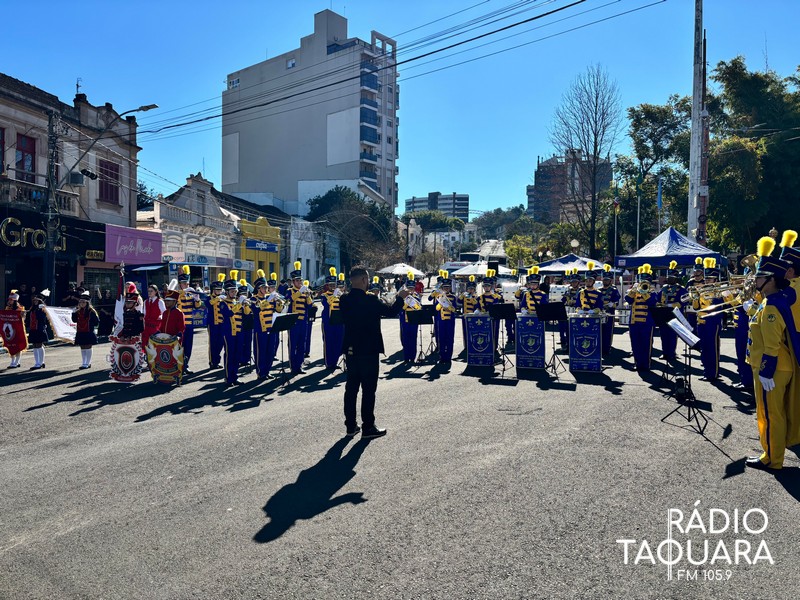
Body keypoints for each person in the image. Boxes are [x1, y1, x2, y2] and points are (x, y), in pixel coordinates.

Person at [339, 266, 409, 439]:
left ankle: (350, 426)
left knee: (351, 389)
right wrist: (400, 298)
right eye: (368, 279)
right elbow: (391, 311)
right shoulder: (370, 299)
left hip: (351, 350)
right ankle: (368, 426)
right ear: (364, 280)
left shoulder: (344, 299)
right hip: (368, 350)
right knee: (368, 390)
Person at [746, 237, 797, 471]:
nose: (755, 280)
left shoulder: (771, 306)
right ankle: (772, 454)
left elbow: (772, 345)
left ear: (770, 280)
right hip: (776, 366)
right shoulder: (771, 302)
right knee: (773, 413)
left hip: (772, 368)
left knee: (769, 414)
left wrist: (766, 371)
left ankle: (772, 459)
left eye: (760, 276)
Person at [692, 258, 724, 381]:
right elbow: (696, 307)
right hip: (701, 322)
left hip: (712, 323)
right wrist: (695, 297)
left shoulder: (718, 291)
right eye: (706, 279)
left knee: (712, 349)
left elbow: (717, 306)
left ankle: (713, 373)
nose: (706, 281)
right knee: (704, 349)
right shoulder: (701, 290)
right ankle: (706, 372)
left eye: (710, 279)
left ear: (715, 280)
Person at [218, 272, 252, 386]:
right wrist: (240, 304)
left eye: (235, 291)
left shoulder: (237, 302)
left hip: (239, 332)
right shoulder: (222, 303)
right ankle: (228, 378)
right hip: (228, 333)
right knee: (230, 355)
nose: (234, 293)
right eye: (232, 291)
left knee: (237, 355)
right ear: (227, 292)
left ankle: (235, 376)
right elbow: (229, 313)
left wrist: (246, 305)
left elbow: (247, 314)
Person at [625, 265, 657, 371]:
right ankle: (637, 363)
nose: (643, 283)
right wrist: (633, 290)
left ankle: (646, 365)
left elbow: (652, 303)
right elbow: (628, 300)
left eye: (646, 280)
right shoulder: (634, 290)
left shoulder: (652, 292)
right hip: (634, 322)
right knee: (635, 344)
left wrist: (645, 293)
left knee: (646, 344)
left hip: (646, 323)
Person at [286, 262, 314, 375]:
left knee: (302, 344)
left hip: (303, 321)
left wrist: (308, 296)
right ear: (293, 282)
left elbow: (310, 306)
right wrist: (300, 292)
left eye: (300, 280)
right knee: (293, 344)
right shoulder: (289, 291)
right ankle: (293, 367)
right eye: (297, 281)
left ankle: (299, 365)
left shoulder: (304, 292)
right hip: (293, 322)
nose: (300, 282)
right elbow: (289, 300)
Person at [658, 261, 688, 362]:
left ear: (676, 278)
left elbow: (685, 301)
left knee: (672, 335)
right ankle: (665, 352)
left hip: (675, 314)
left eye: (672, 277)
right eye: (669, 277)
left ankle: (672, 353)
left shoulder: (681, 289)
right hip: (663, 314)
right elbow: (658, 299)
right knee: (663, 334)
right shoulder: (664, 288)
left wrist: (671, 305)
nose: (670, 279)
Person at [176, 265, 203, 373]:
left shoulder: (190, 294)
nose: (186, 285)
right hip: (180, 325)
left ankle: (185, 365)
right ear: (180, 284)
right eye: (184, 283)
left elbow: (197, 307)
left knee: (188, 346)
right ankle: (178, 366)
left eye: (187, 283)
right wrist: (185, 292)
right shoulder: (177, 294)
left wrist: (197, 299)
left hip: (190, 324)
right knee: (179, 346)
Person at [320, 268, 345, 370]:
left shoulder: (340, 295)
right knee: (329, 342)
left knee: (339, 342)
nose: (333, 287)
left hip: (339, 321)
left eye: (334, 285)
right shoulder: (324, 295)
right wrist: (334, 295)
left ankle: (335, 362)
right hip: (328, 322)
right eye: (330, 285)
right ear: (327, 285)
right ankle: (329, 363)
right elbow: (327, 304)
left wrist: (342, 296)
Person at [72, 291, 99, 369]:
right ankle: (84, 362)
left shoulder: (91, 311)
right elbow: (74, 320)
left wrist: (90, 325)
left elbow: (96, 322)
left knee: (88, 346)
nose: (81, 304)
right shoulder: (78, 311)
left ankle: (88, 362)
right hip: (80, 331)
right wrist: (73, 313)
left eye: (83, 302)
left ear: (87, 303)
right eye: (80, 302)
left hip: (88, 331)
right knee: (82, 347)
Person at [204, 274, 226, 369]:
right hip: (212, 324)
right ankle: (212, 362)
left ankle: (217, 361)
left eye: (220, 290)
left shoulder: (223, 298)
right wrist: (218, 298)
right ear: (213, 290)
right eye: (217, 290)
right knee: (213, 343)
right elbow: (208, 304)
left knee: (220, 343)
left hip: (222, 324)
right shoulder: (208, 298)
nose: (219, 291)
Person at [434, 277, 457, 364]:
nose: (446, 289)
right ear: (442, 288)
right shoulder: (439, 296)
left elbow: (455, 309)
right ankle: (442, 356)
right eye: (444, 287)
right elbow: (436, 308)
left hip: (450, 321)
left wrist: (450, 308)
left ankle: (448, 357)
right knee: (441, 338)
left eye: (448, 287)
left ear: (450, 288)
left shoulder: (453, 297)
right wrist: (440, 304)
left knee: (450, 338)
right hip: (441, 320)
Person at [399, 274, 422, 365]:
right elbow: (399, 309)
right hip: (405, 321)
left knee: (413, 339)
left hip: (414, 321)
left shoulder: (416, 296)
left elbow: (419, 308)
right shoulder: (403, 297)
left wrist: (414, 304)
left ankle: (412, 357)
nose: (410, 290)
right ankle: (406, 357)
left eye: (412, 288)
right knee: (405, 339)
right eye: (409, 288)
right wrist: (405, 305)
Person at [599, 265, 621, 357]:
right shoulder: (599, 290)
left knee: (608, 331)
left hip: (609, 313)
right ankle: (599, 348)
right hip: (600, 313)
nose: (605, 281)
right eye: (604, 280)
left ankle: (607, 348)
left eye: (607, 280)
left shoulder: (613, 290)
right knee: (599, 331)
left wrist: (613, 304)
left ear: (610, 281)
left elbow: (617, 301)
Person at [28, 289, 51, 369]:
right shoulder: (32, 308)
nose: (35, 301)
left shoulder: (42, 309)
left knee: (39, 345)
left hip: (39, 328)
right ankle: (37, 362)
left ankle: (41, 362)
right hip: (33, 328)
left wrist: (40, 309)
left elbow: (42, 318)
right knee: (34, 345)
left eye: (36, 300)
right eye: (34, 300)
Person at [5, 290, 26, 368]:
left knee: (17, 346)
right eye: (9, 300)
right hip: (10, 329)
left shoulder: (20, 308)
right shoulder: (7, 308)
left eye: (11, 300)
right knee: (11, 346)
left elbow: (23, 319)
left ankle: (17, 361)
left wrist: (22, 314)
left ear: (15, 301)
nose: (9, 301)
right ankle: (12, 361)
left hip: (18, 329)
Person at [142, 285, 166, 349]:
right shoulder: (145, 301)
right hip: (147, 326)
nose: (149, 293)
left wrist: (160, 316)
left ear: (156, 292)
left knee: (155, 343)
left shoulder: (160, 301)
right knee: (146, 343)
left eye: (151, 291)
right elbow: (144, 313)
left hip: (156, 326)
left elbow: (164, 313)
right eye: (148, 291)